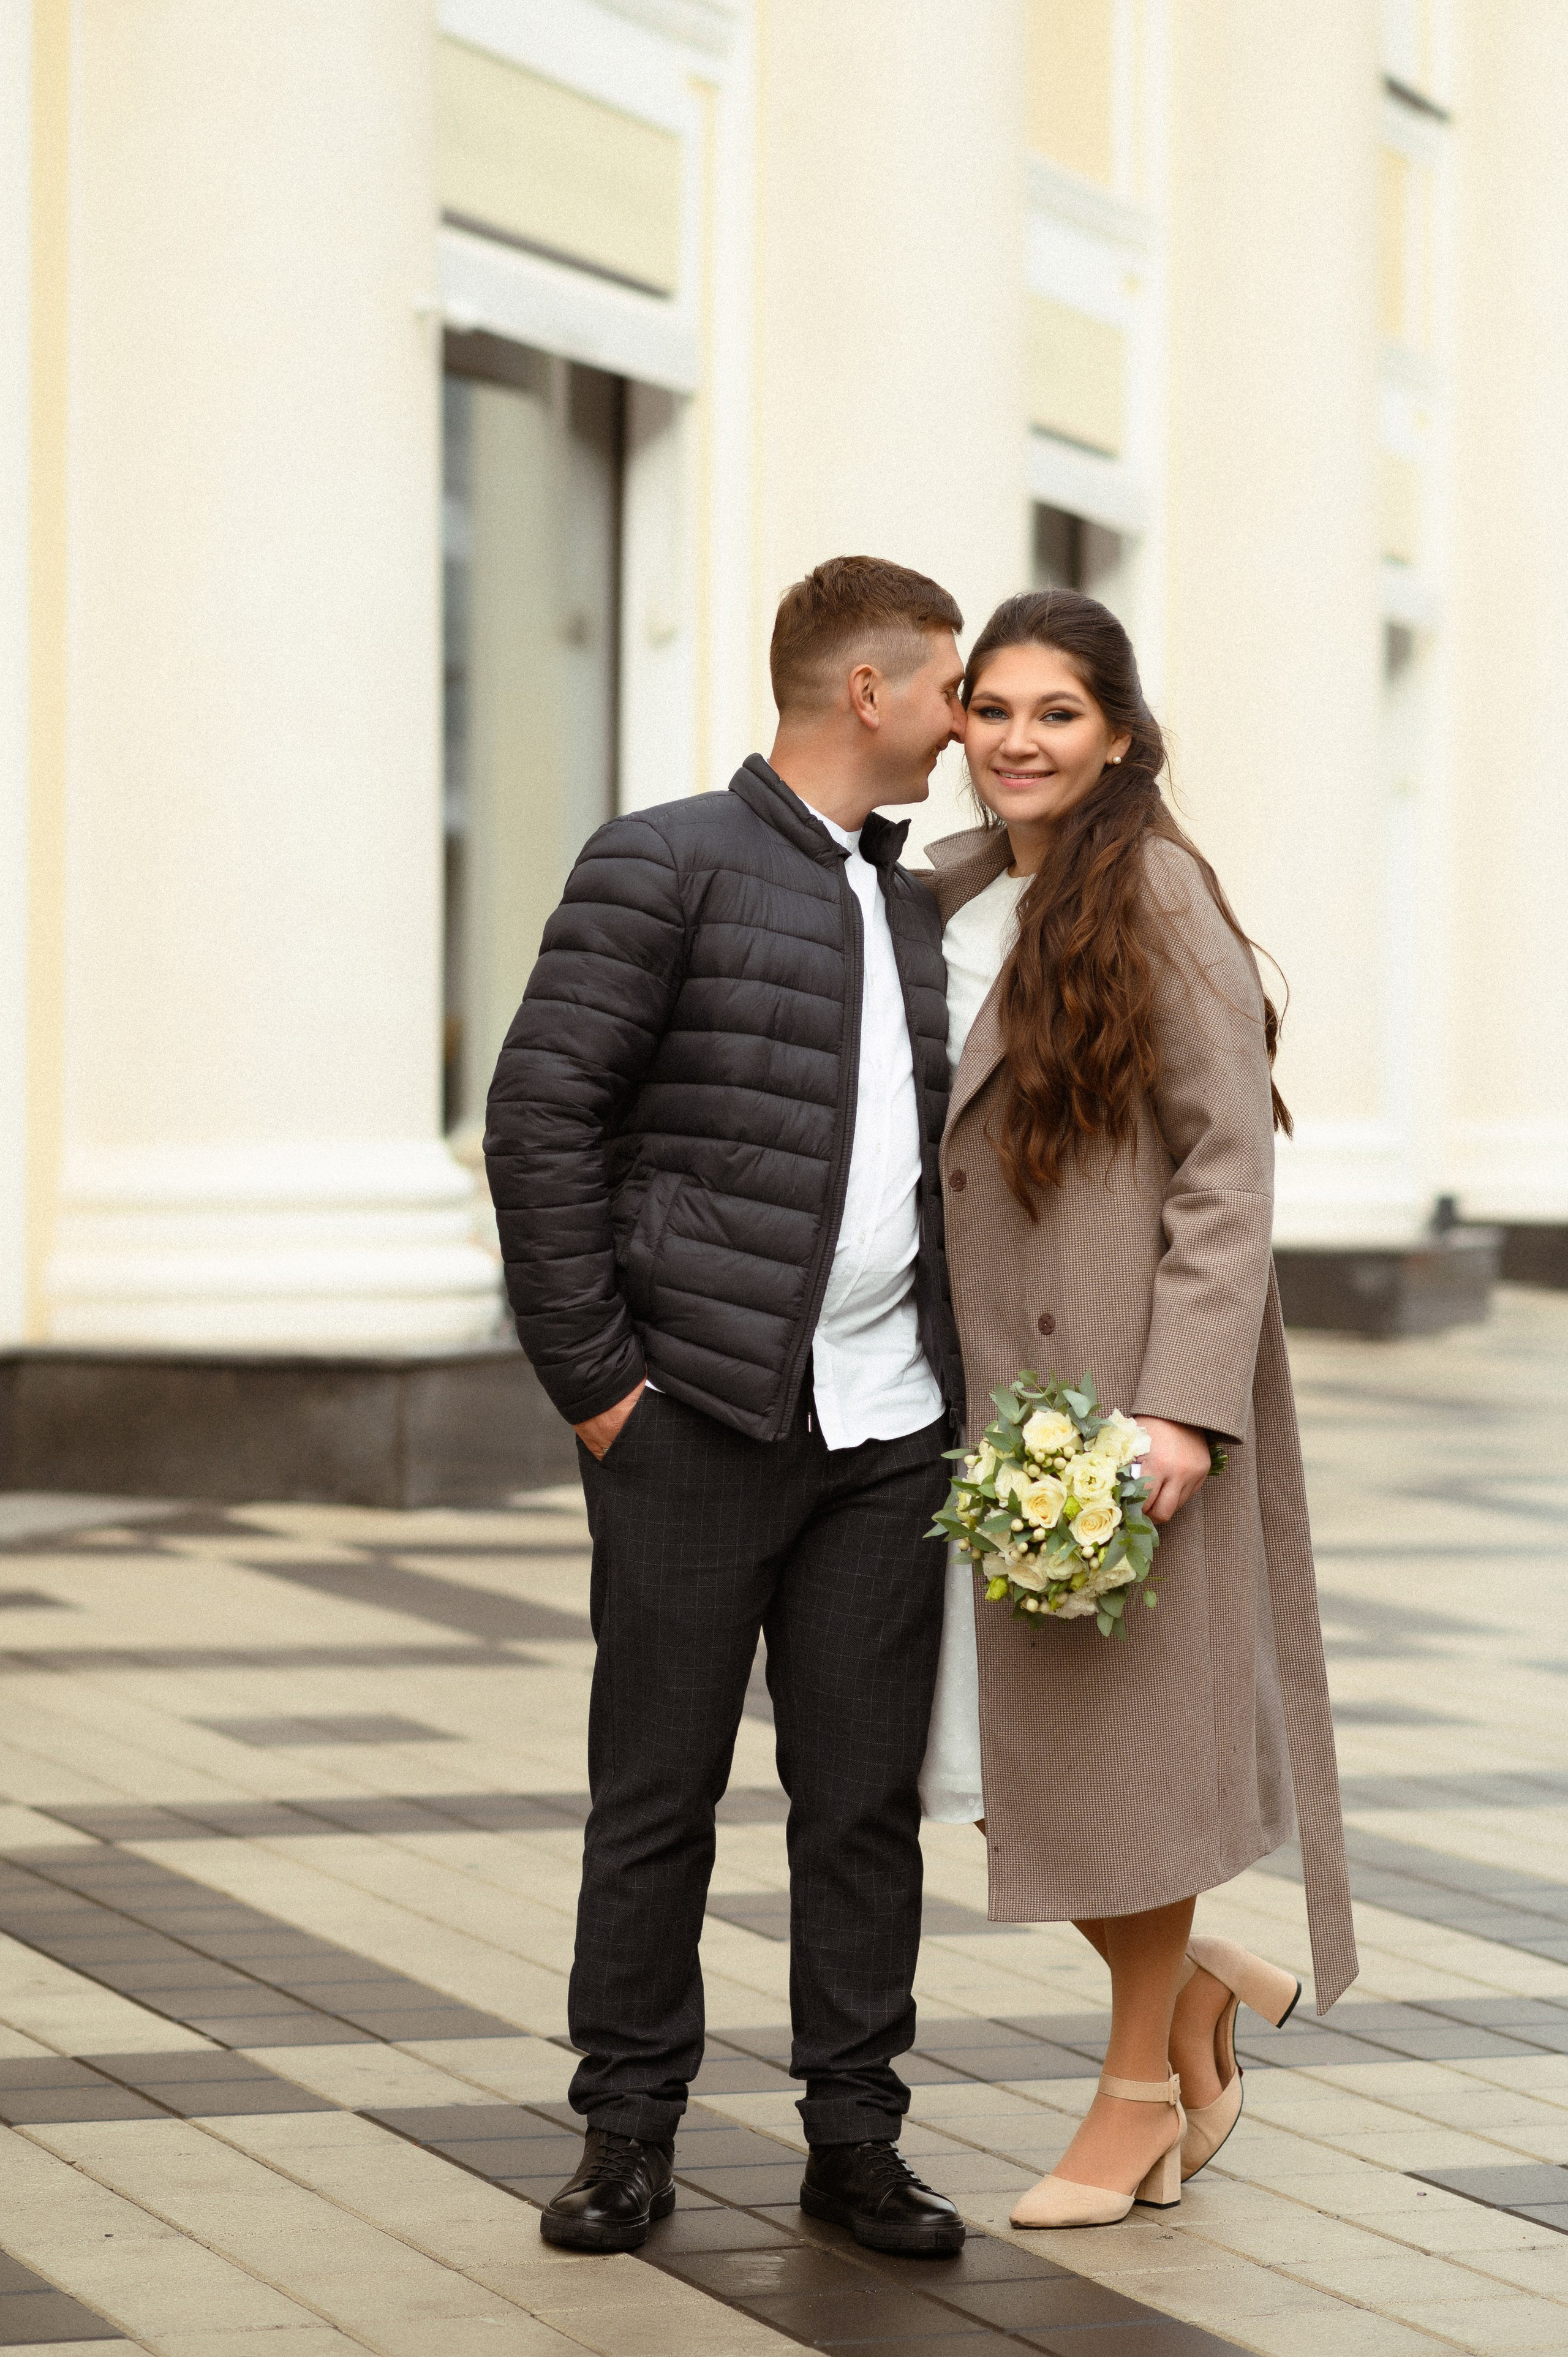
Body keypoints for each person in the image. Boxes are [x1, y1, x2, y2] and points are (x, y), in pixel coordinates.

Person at [485, 556, 972, 2258]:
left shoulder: (905, 902)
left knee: (862, 1807)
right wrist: (601, 1386)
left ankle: (857, 2144)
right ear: (867, 691)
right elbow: (540, 1118)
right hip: (694, 1411)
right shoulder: (664, 860)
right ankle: (626, 2135)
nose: (964, 725)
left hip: (887, 1425)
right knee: (658, 1792)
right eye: (951, 693)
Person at [918, 589, 1357, 2230]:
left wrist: (1176, 1415)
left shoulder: (1152, 895)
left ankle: (1134, 2094)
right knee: (994, 1759)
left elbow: (1229, 1179)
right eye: (996, 711)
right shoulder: (948, 895)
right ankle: (1199, 1988)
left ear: (1118, 734)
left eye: (1057, 714)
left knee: (1106, 1758)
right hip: (968, 1401)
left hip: (1109, 1404)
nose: (1019, 742)